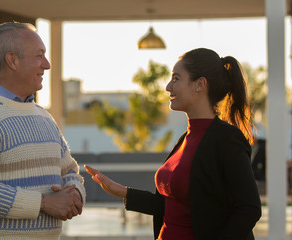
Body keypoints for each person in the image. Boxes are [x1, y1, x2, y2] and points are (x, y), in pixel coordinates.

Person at [85, 48, 261, 240]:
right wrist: (122, 191)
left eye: (176, 78)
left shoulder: (227, 140)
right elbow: (169, 206)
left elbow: (249, 209)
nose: (168, 86)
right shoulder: (185, 138)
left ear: (200, 84)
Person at [0, 22, 86, 240]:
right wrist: (43, 203)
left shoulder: (44, 117)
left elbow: (69, 171)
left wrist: (75, 194)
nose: (47, 65)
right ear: (12, 60)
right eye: (39, 56)